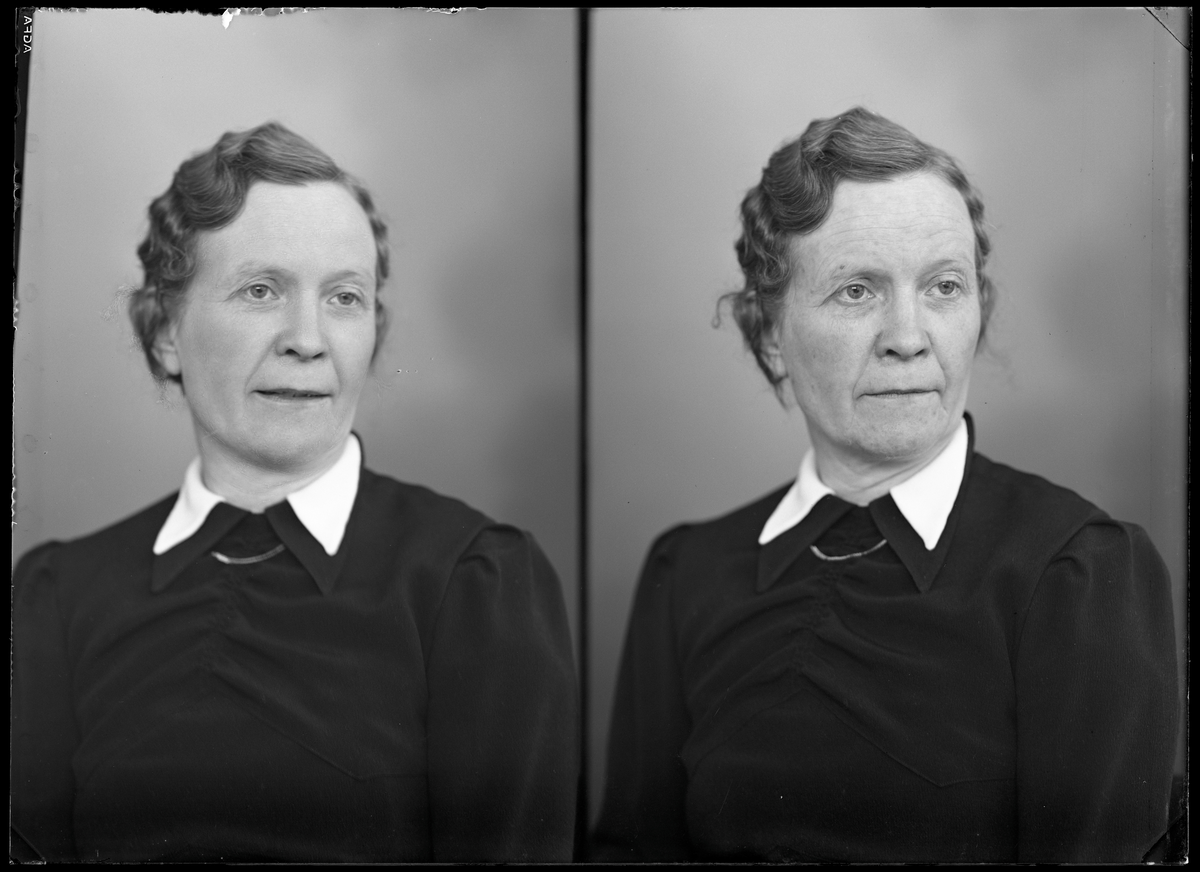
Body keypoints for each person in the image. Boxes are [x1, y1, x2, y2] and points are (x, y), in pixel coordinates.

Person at [592, 107, 1179, 863]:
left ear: (980, 310)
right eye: (857, 291)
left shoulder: (1081, 573)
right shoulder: (686, 574)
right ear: (769, 335)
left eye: (944, 287)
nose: (908, 338)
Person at [11, 122, 578, 863]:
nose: (307, 339)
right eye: (260, 290)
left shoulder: (476, 583)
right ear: (165, 332)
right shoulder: (56, 597)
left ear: (374, 330)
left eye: (344, 298)